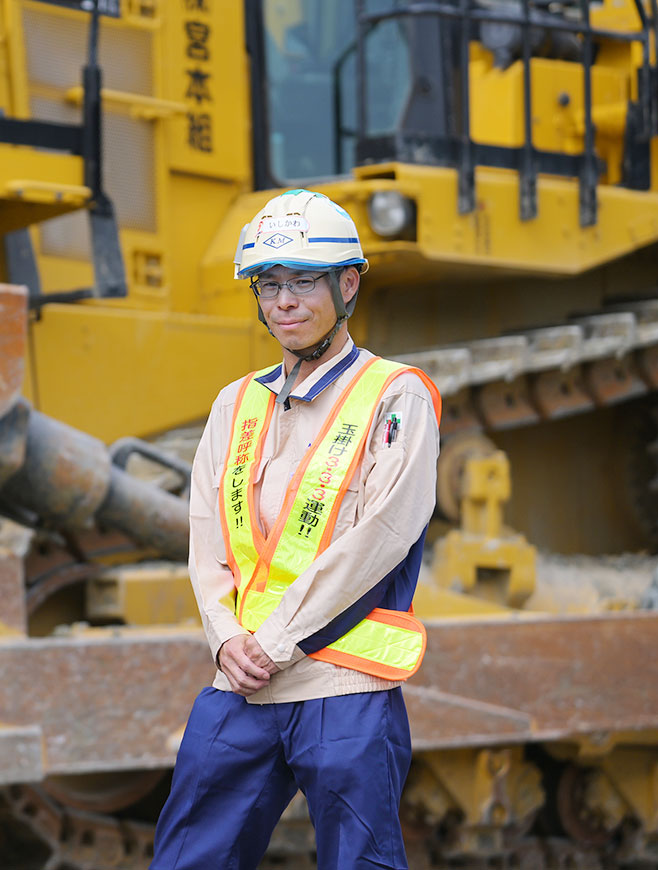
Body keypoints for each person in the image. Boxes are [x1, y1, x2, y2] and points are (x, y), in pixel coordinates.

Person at [150, 189, 441, 870]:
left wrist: (275, 643)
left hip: (340, 687)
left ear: (346, 285)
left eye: (303, 281)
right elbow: (207, 535)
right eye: (268, 284)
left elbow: (382, 535)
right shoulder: (235, 403)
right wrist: (225, 641)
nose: (283, 301)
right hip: (241, 685)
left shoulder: (394, 395)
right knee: (190, 857)